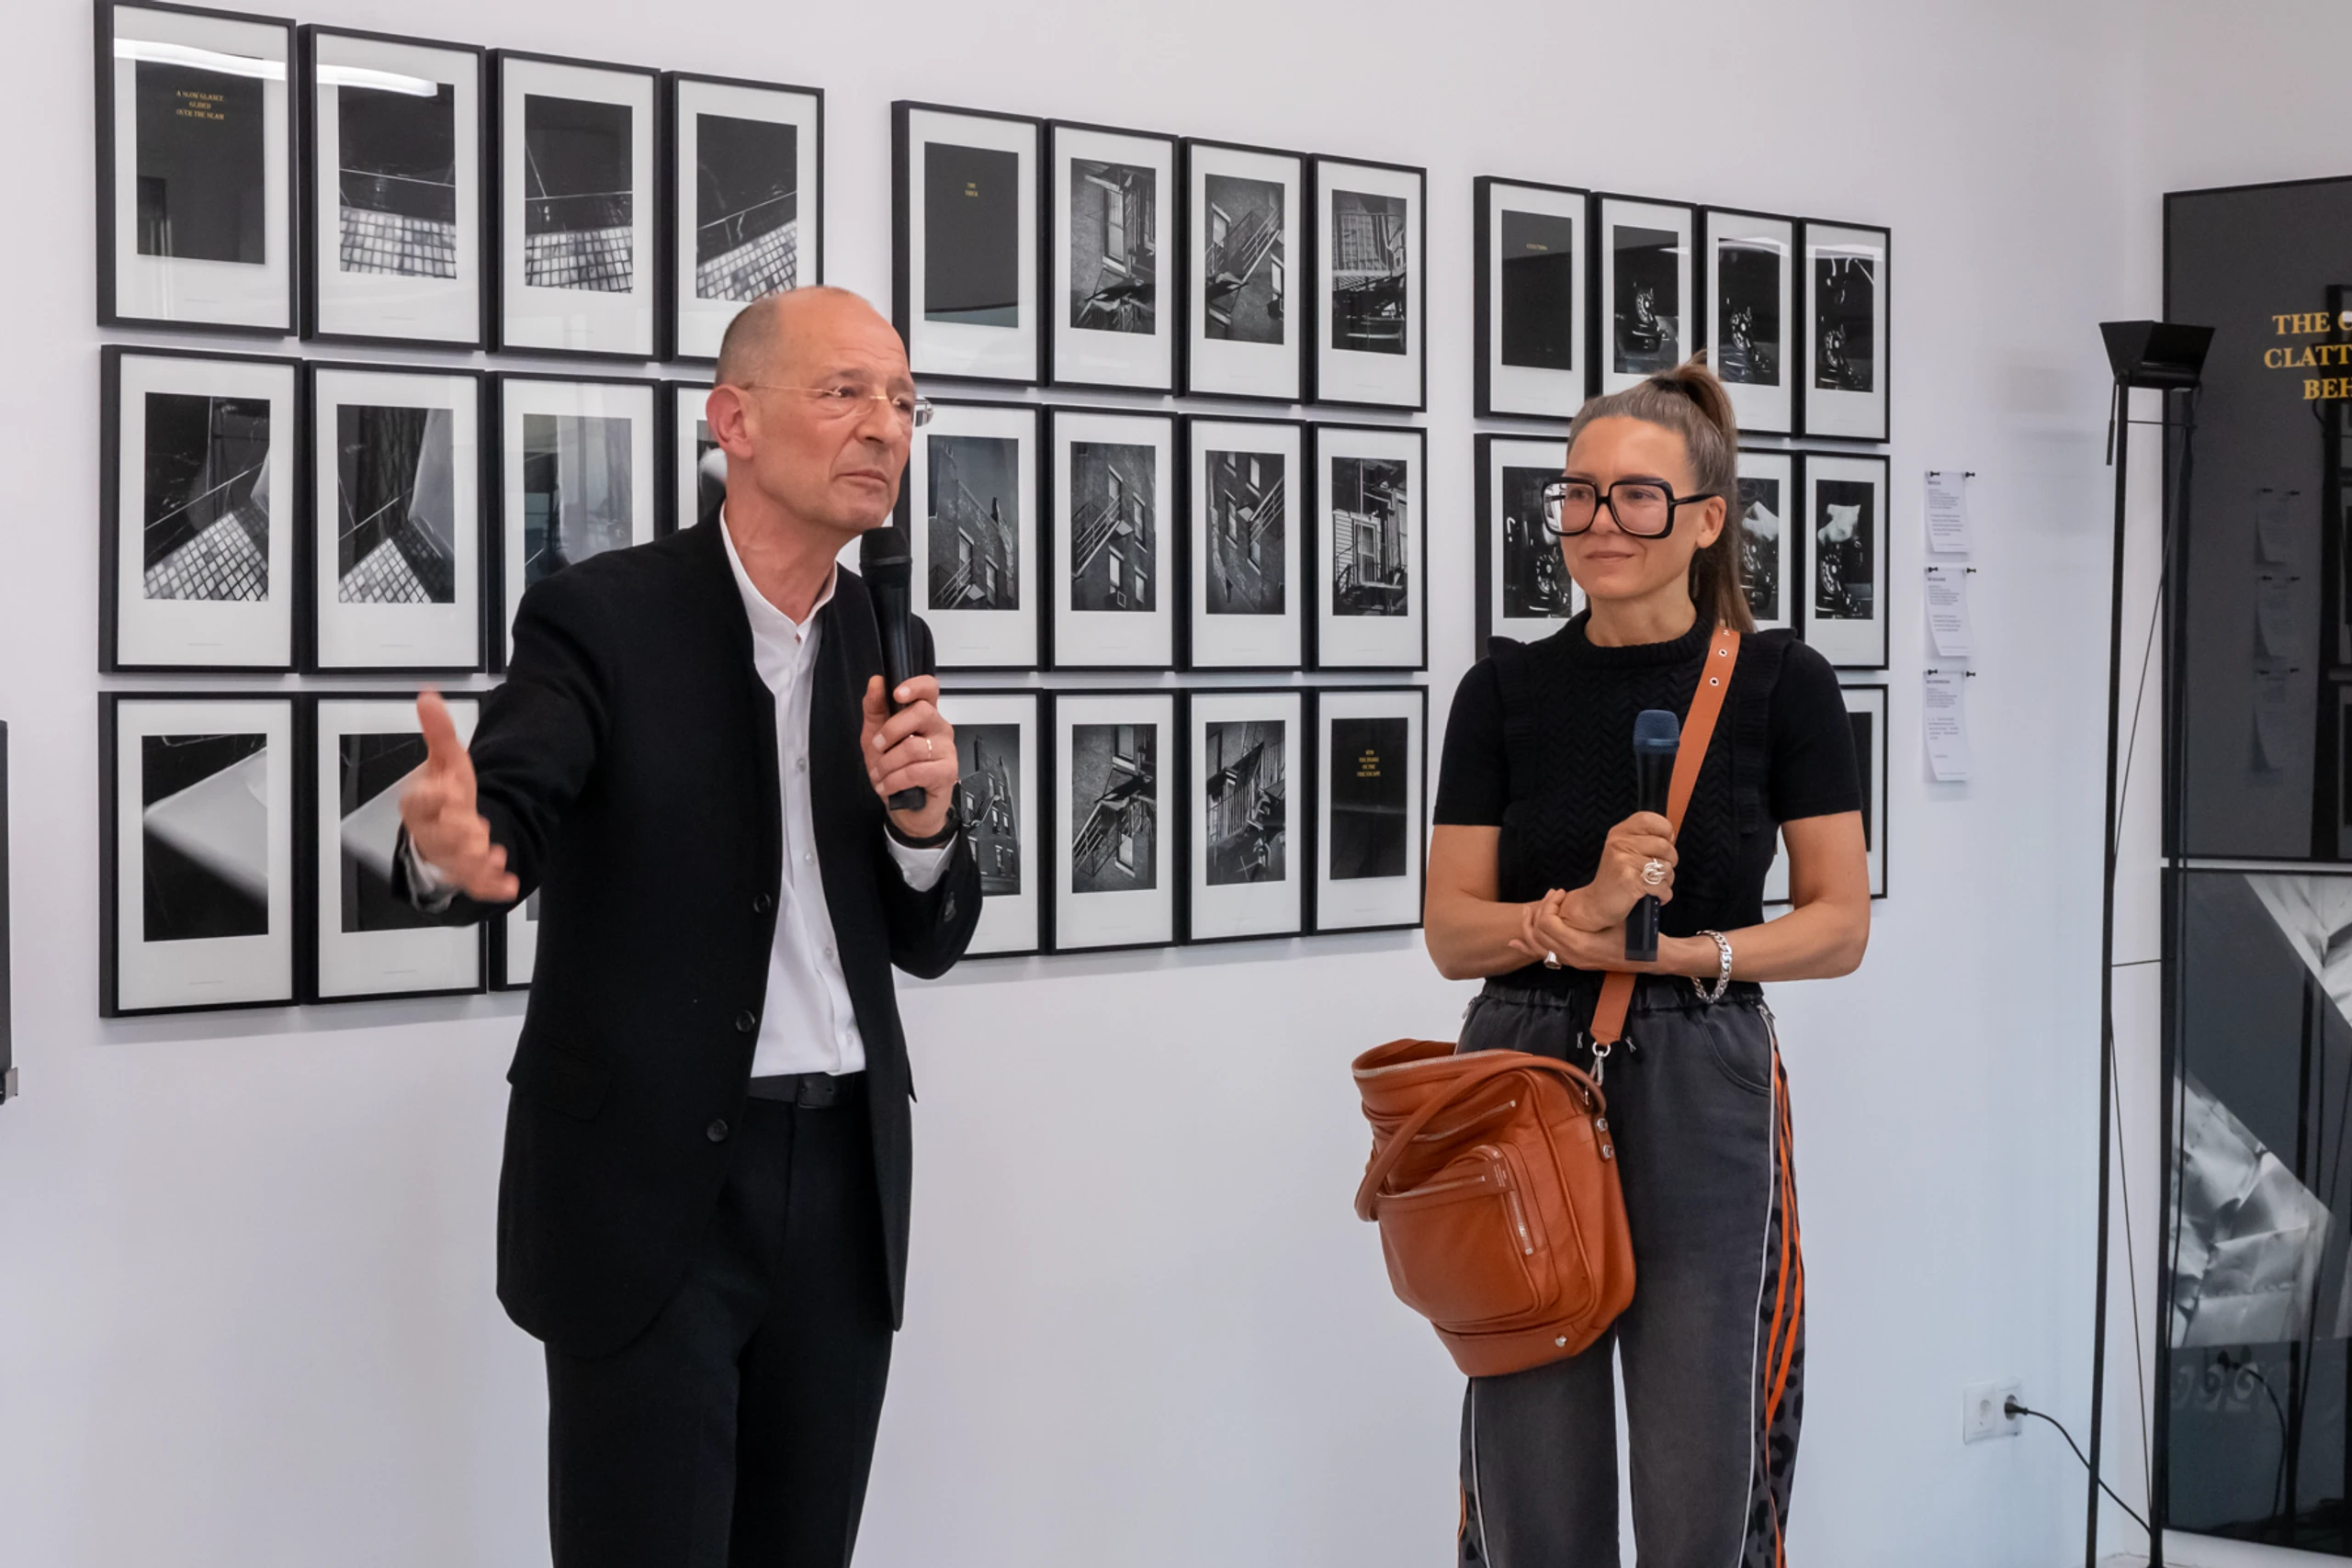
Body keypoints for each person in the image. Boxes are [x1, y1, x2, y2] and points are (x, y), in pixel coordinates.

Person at [393, 286, 982, 1568]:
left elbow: (929, 936)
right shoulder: (604, 617)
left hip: (843, 1186)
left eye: (902, 401)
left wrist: (926, 826)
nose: (885, 426)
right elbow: (510, 804)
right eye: (846, 392)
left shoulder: (889, 635)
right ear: (736, 422)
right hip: (650, 1190)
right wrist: (453, 848)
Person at [1423, 358, 1871, 1567]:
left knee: (1703, 1455)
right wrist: (1564, 918)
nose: (1599, 522)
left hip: (1699, 1064)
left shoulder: (1782, 684)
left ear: (1707, 520)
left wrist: (1678, 953)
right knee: (1527, 1463)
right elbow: (1452, 929)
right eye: (1578, 493)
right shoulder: (1503, 690)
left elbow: (1838, 924)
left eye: (1635, 496)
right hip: (1520, 1071)